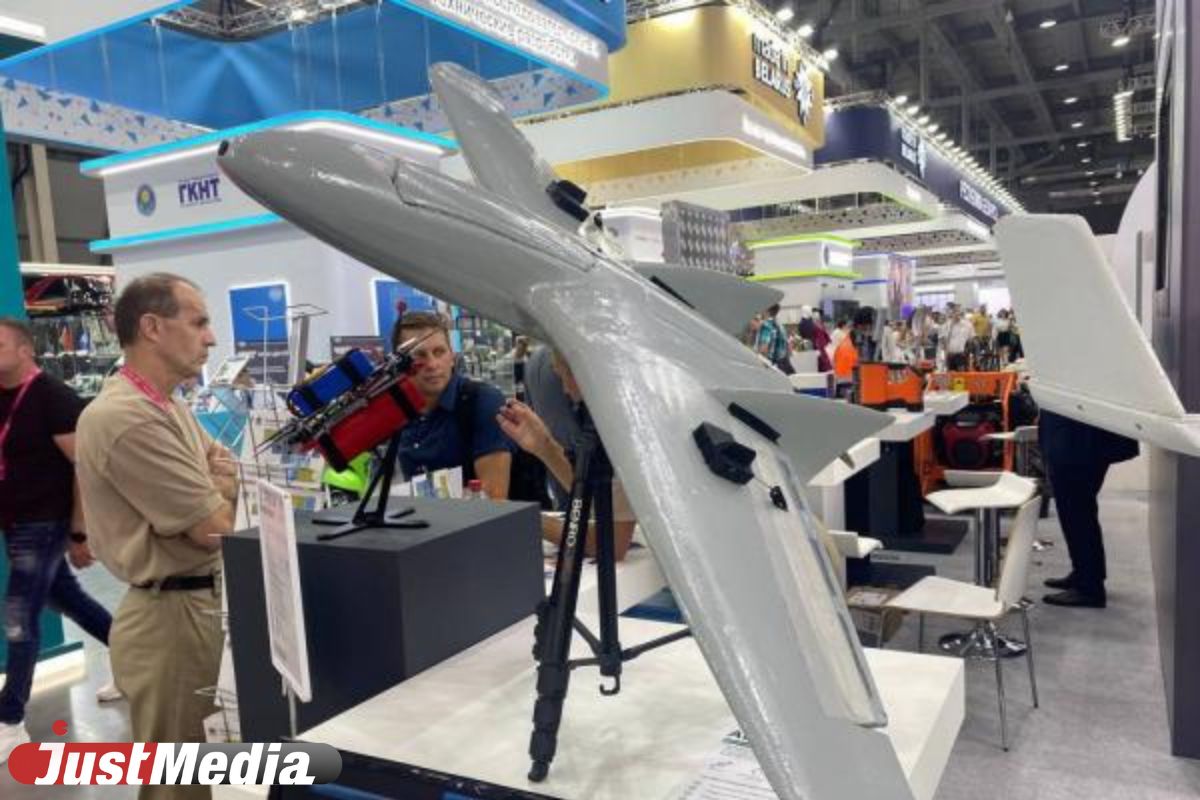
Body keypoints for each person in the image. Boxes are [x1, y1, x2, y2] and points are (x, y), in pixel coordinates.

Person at [76, 273, 238, 800]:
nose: (211, 337)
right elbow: (215, 528)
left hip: (195, 608)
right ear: (152, 327)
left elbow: (227, 467)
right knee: (179, 784)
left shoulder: (166, 405)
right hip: (172, 622)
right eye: (199, 322)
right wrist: (218, 488)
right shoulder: (130, 418)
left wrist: (216, 484)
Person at [0, 319, 113, 763]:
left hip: (45, 522)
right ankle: (136, 662)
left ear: (25, 350)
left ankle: (10, 719)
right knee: (68, 599)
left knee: (19, 615)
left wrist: (79, 531)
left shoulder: (54, 397)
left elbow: (83, 469)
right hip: (15, 522)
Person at [496, 351, 637, 561]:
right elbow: (600, 501)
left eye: (565, 375)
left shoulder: (625, 429)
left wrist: (526, 520)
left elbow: (611, 543)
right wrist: (545, 447)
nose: (565, 389)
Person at [390, 311, 512, 498]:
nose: (432, 364)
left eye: (439, 352)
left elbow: (494, 498)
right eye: (419, 356)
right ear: (400, 365)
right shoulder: (399, 411)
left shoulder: (482, 401)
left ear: (452, 356)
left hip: (483, 517)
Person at [1038, 411, 1139, 608]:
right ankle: (1086, 574)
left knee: (1077, 511)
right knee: (1079, 510)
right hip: (1079, 436)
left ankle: (1089, 587)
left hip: (1077, 439)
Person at [756, 304, 793, 375]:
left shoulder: (766, 325)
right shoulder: (780, 326)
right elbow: (789, 348)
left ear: (767, 310)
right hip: (783, 365)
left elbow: (764, 348)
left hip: (772, 366)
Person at [941, 308, 974, 372]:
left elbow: (971, 338)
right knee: (950, 374)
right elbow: (943, 339)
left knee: (961, 373)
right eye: (955, 313)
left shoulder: (966, 325)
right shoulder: (947, 325)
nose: (957, 315)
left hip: (961, 354)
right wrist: (945, 352)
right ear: (952, 314)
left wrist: (967, 351)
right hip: (950, 354)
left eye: (958, 313)